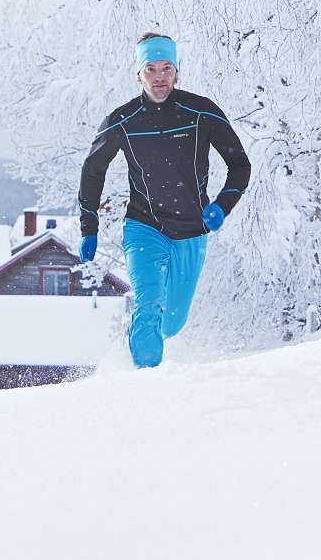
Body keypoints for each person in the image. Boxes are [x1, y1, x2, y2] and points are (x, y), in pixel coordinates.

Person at [77, 33, 251, 368]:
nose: (159, 76)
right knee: (148, 304)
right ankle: (143, 389)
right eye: (151, 68)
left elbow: (240, 165)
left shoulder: (200, 112)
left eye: (166, 68)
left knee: (171, 322)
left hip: (191, 231)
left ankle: (139, 353)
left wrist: (221, 205)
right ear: (138, 74)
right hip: (144, 226)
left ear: (176, 71)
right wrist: (89, 227)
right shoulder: (123, 121)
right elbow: (92, 170)